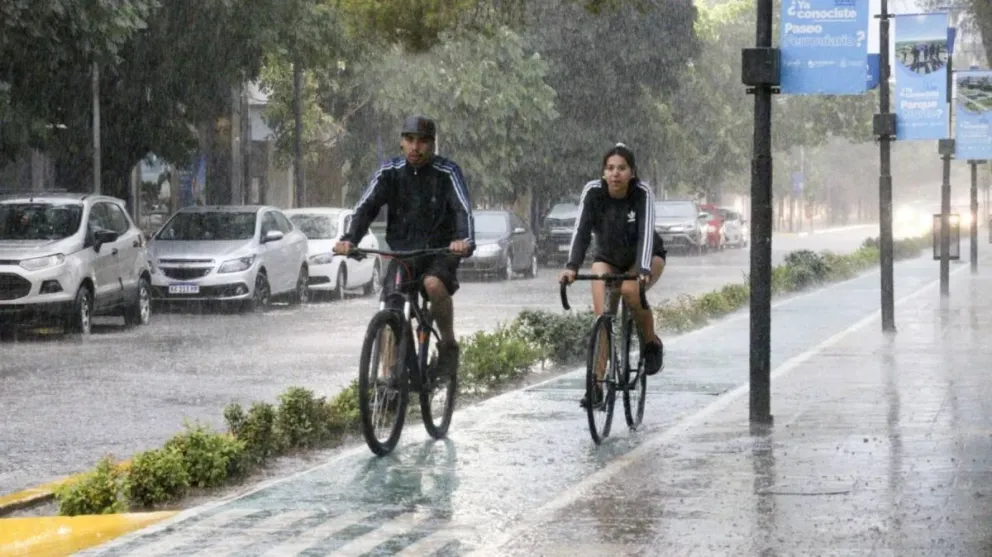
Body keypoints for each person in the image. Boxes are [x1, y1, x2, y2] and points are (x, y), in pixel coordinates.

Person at [333, 115, 475, 380]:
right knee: (391, 306)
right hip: (403, 254)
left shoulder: (448, 172)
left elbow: (462, 210)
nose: (415, 147)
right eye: (409, 140)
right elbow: (366, 207)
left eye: (422, 142)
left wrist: (463, 241)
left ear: (433, 144)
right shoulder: (389, 171)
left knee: (434, 285)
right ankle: (389, 380)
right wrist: (350, 239)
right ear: (401, 142)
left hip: (439, 252)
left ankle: (448, 345)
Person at [559, 143, 667, 408]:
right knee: (603, 315)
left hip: (646, 256)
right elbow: (581, 230)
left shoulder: (641, 193)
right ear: (603, 172)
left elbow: (645, 233)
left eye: (621, 168)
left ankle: (651, 343)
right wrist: (572, 266)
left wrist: (642, 270)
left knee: (631, 291)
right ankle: (596, 386)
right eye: (610, 168)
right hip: (607, 258)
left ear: (632, 172)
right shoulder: (593, 192)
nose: (615, 174)